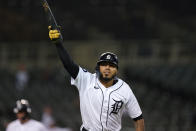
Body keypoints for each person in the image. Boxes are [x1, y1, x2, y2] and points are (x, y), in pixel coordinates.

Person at [48, 27, 145, 131]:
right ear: (98, 67)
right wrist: (59, 45)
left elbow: (138, 118)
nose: (107, 68)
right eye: (104, 64)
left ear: (116, 70)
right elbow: (69, 64)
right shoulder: (86, 80)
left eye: (111, 65)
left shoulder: (125, 89)